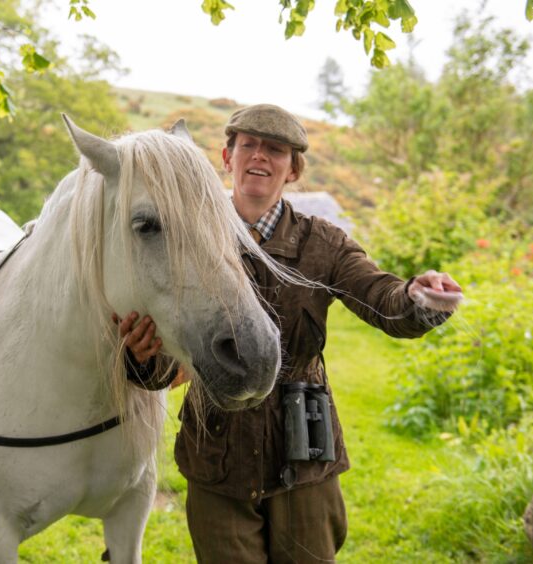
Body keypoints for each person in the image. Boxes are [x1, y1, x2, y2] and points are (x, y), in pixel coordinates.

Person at [115, 104, 462, 563]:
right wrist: (141, 359)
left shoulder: (325, 243)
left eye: (275, 149)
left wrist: (419, 298)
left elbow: (382, 300)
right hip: (216, 454)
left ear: (293, 168)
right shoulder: (184, 237)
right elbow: (169, 354)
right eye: (248, 145)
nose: (260, 155)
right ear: (227, 156)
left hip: (305, 451)